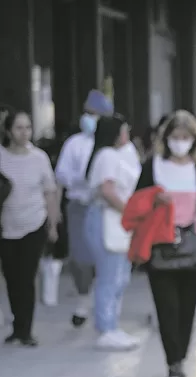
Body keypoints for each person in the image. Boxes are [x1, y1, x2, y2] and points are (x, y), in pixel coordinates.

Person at [137, 110, 196, 377]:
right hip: (160, 245)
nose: (180, 142)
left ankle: (181, 353)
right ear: (166, 138)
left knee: (188, 309)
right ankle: (174, 361)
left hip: (191, 244)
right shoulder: (153, 166)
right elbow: (138, 201)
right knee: (166, 307)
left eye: (186, 137)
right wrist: (154, 200)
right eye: (175, 137)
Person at [54, 89, 115, 327]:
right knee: (80, 257)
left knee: (107, 256)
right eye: (88, 113)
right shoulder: (74, 144)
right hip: (80, 205)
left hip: (107, 207)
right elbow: (62, 174)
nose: (90, 118)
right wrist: (81, 181)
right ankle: (83, 298)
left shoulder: (112, 145)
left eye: (95, 114)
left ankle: (106, 301)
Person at [0, 111, 60, 345]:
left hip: (34, 224)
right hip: (6, 226)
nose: (24, 133)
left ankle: (26, 329)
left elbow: (50, 192)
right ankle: (17, 324)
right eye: (18, 128)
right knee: (12, 278)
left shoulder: (39, 158)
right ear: (8, 131)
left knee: (26, 277)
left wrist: (52, 224)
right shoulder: (2, 157)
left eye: (27, 128)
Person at [84, 114, 142, 350]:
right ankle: (106, 327)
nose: (127, 135)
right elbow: (108, 191)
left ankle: (112, 325)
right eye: (124, 130)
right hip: (108, 219)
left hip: (116, 220)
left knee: (119, 275)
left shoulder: (116, 155)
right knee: (110, 276)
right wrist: (130, 212)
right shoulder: (107, 155)